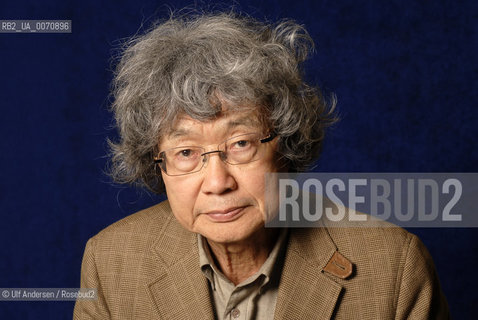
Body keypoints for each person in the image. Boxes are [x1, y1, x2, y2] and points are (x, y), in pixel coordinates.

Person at [74, 11, 450, 319]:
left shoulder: (393, 270)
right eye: (186, 152)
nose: (218, 182)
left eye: (240, 144)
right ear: (157, 163)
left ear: (285, 144)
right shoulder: (109, 264)